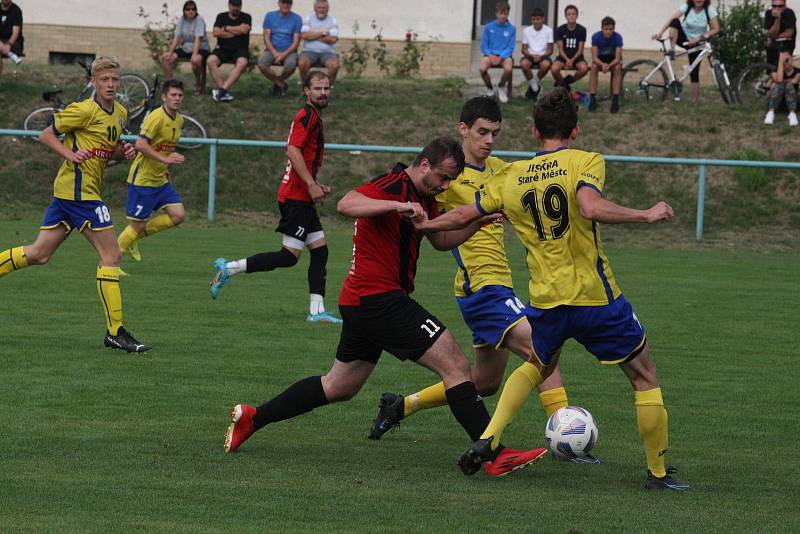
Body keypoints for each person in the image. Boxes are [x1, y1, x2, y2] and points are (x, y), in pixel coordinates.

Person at [414, 88, 689, 491]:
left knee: (535, 365)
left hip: (546, 301)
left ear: (533, 130)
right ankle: (658, 473)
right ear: (575, 131)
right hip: (597, 297)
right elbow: (590, 208)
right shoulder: (585, 160)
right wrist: (645, 214)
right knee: (644, 376)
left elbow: (464, 212)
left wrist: (426, 226)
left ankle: (488, 438)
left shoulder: (512, 176)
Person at [223, 137, 547, 477]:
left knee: (339, 386)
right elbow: (347, 204)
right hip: (378, 298)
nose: (446, 186)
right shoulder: (394, 183)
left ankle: (252, 418)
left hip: (362, 301)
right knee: (454, 364)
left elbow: (438, 240)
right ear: (424, 165)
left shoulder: (425, 195)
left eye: (451, 181)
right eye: (443, 177)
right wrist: (394, 205)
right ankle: (493, 455)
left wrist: (474, 224)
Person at [368, 96, 599, 464]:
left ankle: (400, 405)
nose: (489, 139)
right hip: (481, 286)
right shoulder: (448, 177)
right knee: (544, 350)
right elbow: (427, 215)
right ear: (463, 129)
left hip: (501, 284)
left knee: (485, 382)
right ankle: (568, 437)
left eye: (495, 132)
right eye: (482, 132)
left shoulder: (504, 172)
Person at [0, 57, 150, 353]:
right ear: (94, 82)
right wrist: (69, 155)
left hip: (73, 192)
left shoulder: (121, 113)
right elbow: (45, 134)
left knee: (39, 254)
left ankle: (115, 333)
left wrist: (124, 152)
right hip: (79, 193)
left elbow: (107, 151)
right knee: (112, 254)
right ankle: (115, 332)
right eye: (104, 80)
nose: (110, 85)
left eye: (114, 80)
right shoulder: (82, 110)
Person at [210, 72, 341, 323]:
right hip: (296, 198)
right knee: (289, 257)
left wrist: (314, 185)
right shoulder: (307, 115)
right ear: (306, 90)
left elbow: (301, 157)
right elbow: (292, 150)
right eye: (318, 88)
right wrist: (311, 185)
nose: (323, 92)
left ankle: (316, 312)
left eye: (326, 88)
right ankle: (228, 268)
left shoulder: (314, 117)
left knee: (320, 251)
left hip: (301, 195)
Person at [117, 79, 188, 264]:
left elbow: (164, 147)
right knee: (136, 225)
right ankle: (111, 263)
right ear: (164, 97)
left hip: (160, 179)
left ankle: (134, 238)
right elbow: (140, 144)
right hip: (143, 179)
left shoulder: (179, 119)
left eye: (180, 95)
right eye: (173, 95)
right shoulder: (156, 117)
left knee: (178, 215)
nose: (177, 98)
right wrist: (165, 159)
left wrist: (165, 168)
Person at [652, 0, 721, 103]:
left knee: (694, 72)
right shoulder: (687, 7)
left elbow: (716, 28)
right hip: (683, 38)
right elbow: (671, 19)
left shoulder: (709, 10)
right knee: (675, 21)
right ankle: (672, 50)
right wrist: (660, 33)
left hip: (697, 42)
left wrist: (699, 37)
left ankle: (695, 101)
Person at [160, 1, 211, 96]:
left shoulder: (199, 20)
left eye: (193, 9)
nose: (190, 11)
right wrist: (170, 52)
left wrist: (195, 54)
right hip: (187, 47)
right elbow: (177, 37)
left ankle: (198, 82)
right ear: (184, 11)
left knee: (195, 60)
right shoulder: (182, 20)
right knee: (165, 58)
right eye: (188, 9)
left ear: (196, 11)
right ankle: (170, 86)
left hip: (201, 47)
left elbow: (198, 38)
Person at [208, 0, 252, 103]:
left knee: (242, 63)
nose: (235, 8)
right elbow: (215, 32)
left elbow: (245, 30)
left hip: (240, 49)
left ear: (241, 6)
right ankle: (223, 92)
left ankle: (222, 91)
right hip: (223, 48)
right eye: (233, 5)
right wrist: (237, 31)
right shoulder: (221, 17)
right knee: (210, 61)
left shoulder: (246, 17)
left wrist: (226, 28)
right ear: (229, 5)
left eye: (238, 5)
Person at [257, 0, 303, 97]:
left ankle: (277, 83)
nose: (286, 5)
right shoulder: (269, 16)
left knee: (290, 66)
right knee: (261, 64)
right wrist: (274, 53)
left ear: (291, 4)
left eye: (288, 3)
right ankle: (281, 83)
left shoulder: (297, 18)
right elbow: (266, 37)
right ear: (279, 3)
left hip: (289, 50)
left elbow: (296, 42)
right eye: (283, 2)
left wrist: (283, 55)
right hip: (272, 49)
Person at [479, 1, 516, 104]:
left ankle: (501, 86)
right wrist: (490, 55)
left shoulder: (512, 29)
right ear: (496, 13)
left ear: (508, 14)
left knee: (508, 69)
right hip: (489, 55)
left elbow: (510, 47)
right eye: (501, 13)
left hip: (504, 56)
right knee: (482, 69)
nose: (503, 16)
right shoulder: (488, 27)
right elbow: (484, 45)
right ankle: (490, 88)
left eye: (505, 13)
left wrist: (501, 57)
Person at [298, 0, 340, 87]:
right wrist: (323, 33)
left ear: (328, 9)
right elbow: (304, 35)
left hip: (328, 53)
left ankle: (325, 88)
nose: (321, 10)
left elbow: (333, 39)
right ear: (314, 9)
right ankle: (307, 88)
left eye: (324, 8)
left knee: (335, 65)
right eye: (319, 8)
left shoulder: (333, 20)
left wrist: (312, 35)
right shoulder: (308, 19)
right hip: (309, 51)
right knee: (302, 63)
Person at [588, 16, 623, 113]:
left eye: (610, 29)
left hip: (613, 59)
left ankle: (615, 100)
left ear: (613, 29)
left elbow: (617, 58)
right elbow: (594, 57)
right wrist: (603, 65)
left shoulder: (618, 37)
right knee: (594, 67)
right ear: (602, 28)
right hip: (600, 59)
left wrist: (608, 66)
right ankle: (592, 98)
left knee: (617, 68)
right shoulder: (596, 36)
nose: (608, 31)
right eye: (606, 29)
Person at [551, 4, 589, 90]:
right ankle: (565, 86)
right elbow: (560, 49)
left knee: (584, 69)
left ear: (577, 15)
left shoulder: (582, 30)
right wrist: (567, 60)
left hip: (577, 57)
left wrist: (572, 60)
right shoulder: (560, 29)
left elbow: (580, 50)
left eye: (573, 14)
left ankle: (568, 81)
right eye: (569, 14)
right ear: (565, 16)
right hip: (563, 57)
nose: (571, 16)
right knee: (554, 69)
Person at [520, 7, 553, 101]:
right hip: (530, 55)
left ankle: (534, 83)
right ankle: (535, 86)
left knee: (546, 64)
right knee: (524, 64)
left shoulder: (548, 30)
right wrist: (531, 55)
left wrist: (541, 56)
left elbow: (550, 50)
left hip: (543, 55)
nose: (535, 21)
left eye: (538, 19)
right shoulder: (527, 30)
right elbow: (524, 49)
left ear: (543, 19)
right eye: (533, 19)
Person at [764, 51, 799, 126]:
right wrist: (780, 63)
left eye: (787, 59)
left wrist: (781, 82)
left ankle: (792, 114)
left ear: (791, 59)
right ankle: (771, 113)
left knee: (787, 85)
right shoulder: (775, 71)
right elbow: (779, 80)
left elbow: (795, 80)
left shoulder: (797, 71)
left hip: (792, 102)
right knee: (779, 85)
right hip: (777, 102)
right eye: (783, 60)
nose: (786, 62)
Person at [765, 0, 796, 68]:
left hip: (786, 46)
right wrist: (777, 19)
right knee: (771, 71)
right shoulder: (768, 13)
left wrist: (774, 36)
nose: (777, 8)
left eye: (780, 6)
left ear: (785, 6)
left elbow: (789, 33)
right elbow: (771, 34)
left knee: (784, 69)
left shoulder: (789, 13)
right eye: (774, 6)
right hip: (772, 47)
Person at [0, 0, 23, 75]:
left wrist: (9, 44)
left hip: (14, 43)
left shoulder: (16, 10)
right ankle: (11, 55)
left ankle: (10, 53)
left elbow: (15, 33)